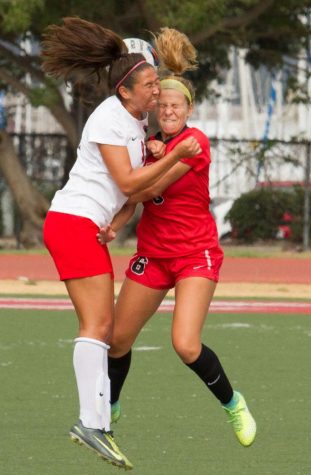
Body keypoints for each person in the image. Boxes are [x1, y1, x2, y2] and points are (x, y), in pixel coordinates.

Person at [41, 18, 201, 470]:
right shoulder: (111, 117)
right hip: (71, 223)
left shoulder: (134, 121)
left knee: (103, 327)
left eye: (156, 81)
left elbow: (134, 194)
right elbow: (130, 180)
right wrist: (177, 157)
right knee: (99, 324)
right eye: (150, 84)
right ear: (125, 90)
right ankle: (92, 423)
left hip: (85, 226)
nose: (157, 90)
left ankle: (97, 423)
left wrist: (118, 218)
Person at [98, 27, 257, 449]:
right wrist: (117, 221)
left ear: (189, 108)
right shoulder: (147, 143)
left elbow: (147, 188)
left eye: (176, 105)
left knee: (185, 344)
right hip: (154, 254)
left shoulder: (195, 143)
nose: (168, 110)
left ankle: (233, 403)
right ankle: (110, 407)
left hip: (194, 255)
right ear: (154, 108)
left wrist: (155, 159)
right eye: (162, 104)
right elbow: (134, 196)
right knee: (116, 341)